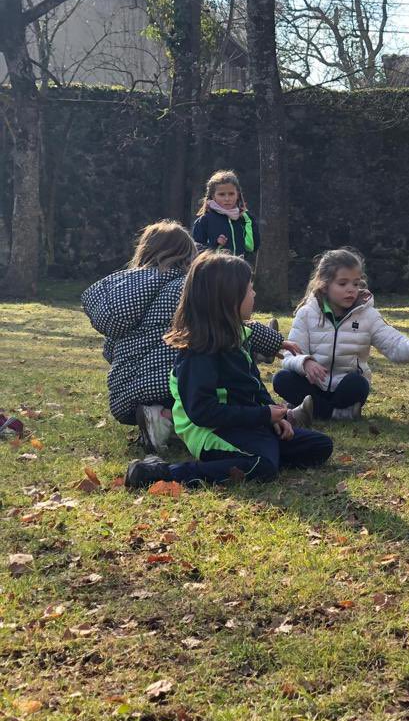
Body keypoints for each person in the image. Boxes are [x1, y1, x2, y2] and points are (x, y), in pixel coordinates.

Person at [123, 252, 332, 487]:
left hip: (246, 424)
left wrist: (273, 418)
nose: (254, 294)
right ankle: (158, 473)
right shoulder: (199, 353)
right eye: (249, 289)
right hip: (213, 432)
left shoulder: (238, 337)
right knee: (261, 466)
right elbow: (202, 412)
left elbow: (253, 385)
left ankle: (259, 452)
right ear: (228, 299)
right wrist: (262, 416)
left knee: (320, 446)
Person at [82, 221, 287, 451]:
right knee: (207, 365)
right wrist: (273, 340)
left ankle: (157, 418)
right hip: (171, 385)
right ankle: (171, 419)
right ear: (187, 253)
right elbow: (223, 320)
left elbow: (110, 350)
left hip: (124, 394)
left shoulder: (126, 295)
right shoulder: (183, 288)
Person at [274, 248, 409, 421]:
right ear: (325, 285)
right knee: (282, 379)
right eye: (343, 284)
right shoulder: (306, 313)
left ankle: (312, 410)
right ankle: (334, 413)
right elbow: (290, 355)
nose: (351, 289)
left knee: (358, 384)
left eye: (356, 283)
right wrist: (305, 363)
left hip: (344, 389)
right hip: (313, 384)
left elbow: (396, 346)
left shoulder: (368, 316)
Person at [191, 170, 260, 261]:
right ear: (213, 196)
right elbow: (196, 251)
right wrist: (215, 244)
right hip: (214, 271)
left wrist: (248, 220)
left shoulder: (245, 218)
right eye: (221, 194)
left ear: (238, 195)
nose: (227, 199)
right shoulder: (205, 220)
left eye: (231, 194)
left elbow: (254, 247)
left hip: (240, 270)